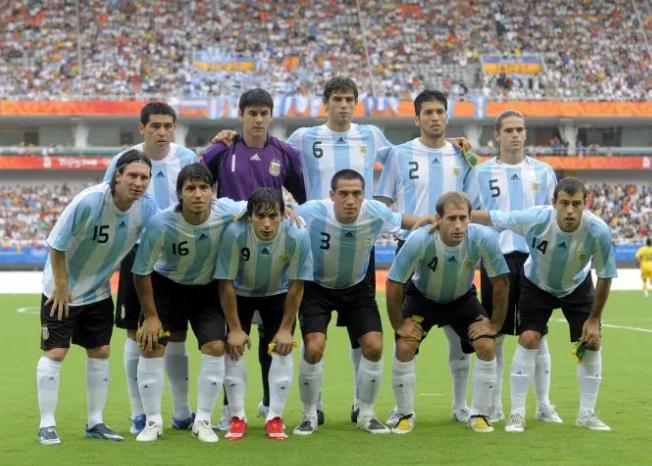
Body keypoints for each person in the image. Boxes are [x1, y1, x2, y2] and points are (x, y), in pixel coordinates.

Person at [472, 177, 617, 432]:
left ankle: (587, 414)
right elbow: (495, 217)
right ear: (554, 203)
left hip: (577, 286)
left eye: (576, 204)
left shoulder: (598, 230)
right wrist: (457, 214)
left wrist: (594, 319)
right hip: (537, 284)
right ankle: (517, 413)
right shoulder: (536, 219)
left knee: (591, 343)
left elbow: (605, 275)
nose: (570, 210)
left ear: (586, 203)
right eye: (564, 203)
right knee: (529, 338)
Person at [200, 89, 306, 426]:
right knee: (230, 337)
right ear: (241, 115)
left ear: (271, 116)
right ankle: (228, 411)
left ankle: (268, 403)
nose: (258, 120)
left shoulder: (286, 153)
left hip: (272, 252)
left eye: (264, 113)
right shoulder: (223, 149)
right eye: (252, 113)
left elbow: (303, 197)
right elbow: (196, 184)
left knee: (269, 338)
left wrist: (289, 211)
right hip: (231, 251)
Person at [292, 169, 425, 435]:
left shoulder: (375, 212)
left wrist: (433, 221)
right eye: (344, 194)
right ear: (332, 195)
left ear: (364, 195)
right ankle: (309, 415)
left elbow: (404, 220)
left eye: (357, 194)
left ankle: (366, 414)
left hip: (357, 289)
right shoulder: (312, 212)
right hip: (317, 288)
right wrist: (283, 212)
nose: (351, 200)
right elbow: (284, 220)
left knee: (374, 346)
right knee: (314, 347)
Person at [37, 150, 156, 445]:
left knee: (101, 351)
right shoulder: (90, 201)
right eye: (132, 176)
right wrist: (61, 286)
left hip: (98, 291)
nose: (138, 182)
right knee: (56, 352)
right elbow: (56, 244)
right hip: (61, 290)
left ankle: (95, 422)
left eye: (144, 177)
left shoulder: (147, 207)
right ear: (117, 176)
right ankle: (46, 424)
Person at [375, 89, 477, 424]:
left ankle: (460, 406)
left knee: (460, 335)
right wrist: (409, 222)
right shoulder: (399, 154)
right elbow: (380, 205)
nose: (435, 117)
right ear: (416, 118)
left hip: (456, 251)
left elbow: (474, 204)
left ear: (447, 116)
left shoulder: (462, 156)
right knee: (406, 333)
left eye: (440, 111)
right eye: (428, 112)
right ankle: (402, 408)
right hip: (412, 250)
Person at [131, 164, 246, 442]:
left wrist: (288, 211)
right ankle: (153, 422)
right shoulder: (161, 223)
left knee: (215, 346)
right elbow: (141, 272)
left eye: (204, 188)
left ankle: (203, 421)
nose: (198, 194)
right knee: (151, 345)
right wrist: (151, 316)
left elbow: (258, 206)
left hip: (206, 291)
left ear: (212, 192)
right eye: (190, 188)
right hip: (165, 288)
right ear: (179, 193)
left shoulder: (226, 210)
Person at [104, 102, 197, 435]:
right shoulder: (124, 159)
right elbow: (109, 204)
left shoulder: (187, 158)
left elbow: (200, 196)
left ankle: (182, 412)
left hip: (177, 256)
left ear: (174, 129)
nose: (162, 132)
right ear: (142, 128)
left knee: (177, 333)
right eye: (155, 125)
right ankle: (139, 413)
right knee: (136, 332)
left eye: (168, 126)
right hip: (137, 252)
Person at [386, 192, 509, 434]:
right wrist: (399, 324)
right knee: (404, 346)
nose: (458, 225)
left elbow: (501, 283)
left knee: (487, 345)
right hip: (422, 299)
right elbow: (394, 284)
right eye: (452, 218)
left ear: (470, 218)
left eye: (463, 218)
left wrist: (495, 324)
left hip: (462, 299)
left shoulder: (483, 237)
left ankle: (479, 414)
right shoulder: (420, 239)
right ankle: (404, 413)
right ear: (438, 219)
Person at [465, 109, 560, 424]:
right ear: (497, 135)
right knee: (496, 333)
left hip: (535, 261)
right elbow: (470, 214)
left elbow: (552, 218)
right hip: (497, 261)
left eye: (520, 129)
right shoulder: (481, 173)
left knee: (537, 332)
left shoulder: (544, 172)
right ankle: (494, 405)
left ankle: (543, 404)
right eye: (509, 130)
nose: (516, 135)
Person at [214, 188, 313, 441]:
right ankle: (237, 417)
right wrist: (235, 329)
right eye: (260, 216)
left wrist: (286, 329)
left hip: (278, 294)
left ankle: (275, 417)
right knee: (233, 348)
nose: (267, 224)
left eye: (273, 216)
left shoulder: (298, 234)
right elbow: (225, 284)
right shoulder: (234, 233)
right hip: (239, 294)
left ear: (283, 214)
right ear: (250, 217)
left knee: (282, 348)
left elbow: (297, 286)